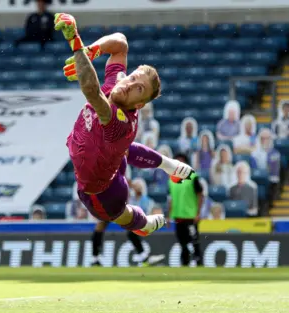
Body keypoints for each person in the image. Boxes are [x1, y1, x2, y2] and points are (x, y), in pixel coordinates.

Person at [56, 14, 193, 237]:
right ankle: (170, 166)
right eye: (133, 78)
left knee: (121, 215)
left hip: (101, 192)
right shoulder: (119, 82)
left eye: (138, 88)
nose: (129, 85)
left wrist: (76, 43)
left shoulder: (120, 121)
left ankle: (145, 224)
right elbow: (121, 44)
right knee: (121, 151)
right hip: (112, 156)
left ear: (139, 104)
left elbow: (92, 92)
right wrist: (93, 50)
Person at [89, 178, 165, 267]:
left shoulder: (119, 180)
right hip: (110, 203)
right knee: (101, 226)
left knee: (104, 226)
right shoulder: (114, 177)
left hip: (112, 204)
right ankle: (95, 258)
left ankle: (95, 258)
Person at [168, 154, 204, 266]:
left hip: (190, 216)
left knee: (194, 242)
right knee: (182, 242)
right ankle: (185, 264)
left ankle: (199, 263)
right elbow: (171, 199)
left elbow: (200, 195)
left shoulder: (193, 177)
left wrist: (198, 213)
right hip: (178, 216)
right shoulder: (171, 179)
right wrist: (169, 216)